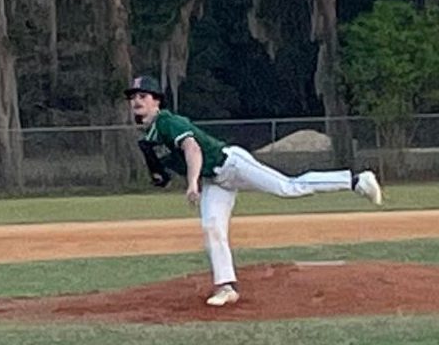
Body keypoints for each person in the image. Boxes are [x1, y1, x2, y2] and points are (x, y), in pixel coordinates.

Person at [127, 75, 383, 307]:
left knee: (288, 187)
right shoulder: (148, 138)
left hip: (232, 164)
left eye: (143, 96)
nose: (137, 101)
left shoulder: (167, 121)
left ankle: (355, 180)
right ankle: (226, 287)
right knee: (212, 227)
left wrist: (192, 183)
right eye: (133, 97)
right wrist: (160, 175)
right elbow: (162, 172)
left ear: (156, 100)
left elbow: (192, 149)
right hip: (215, 181)